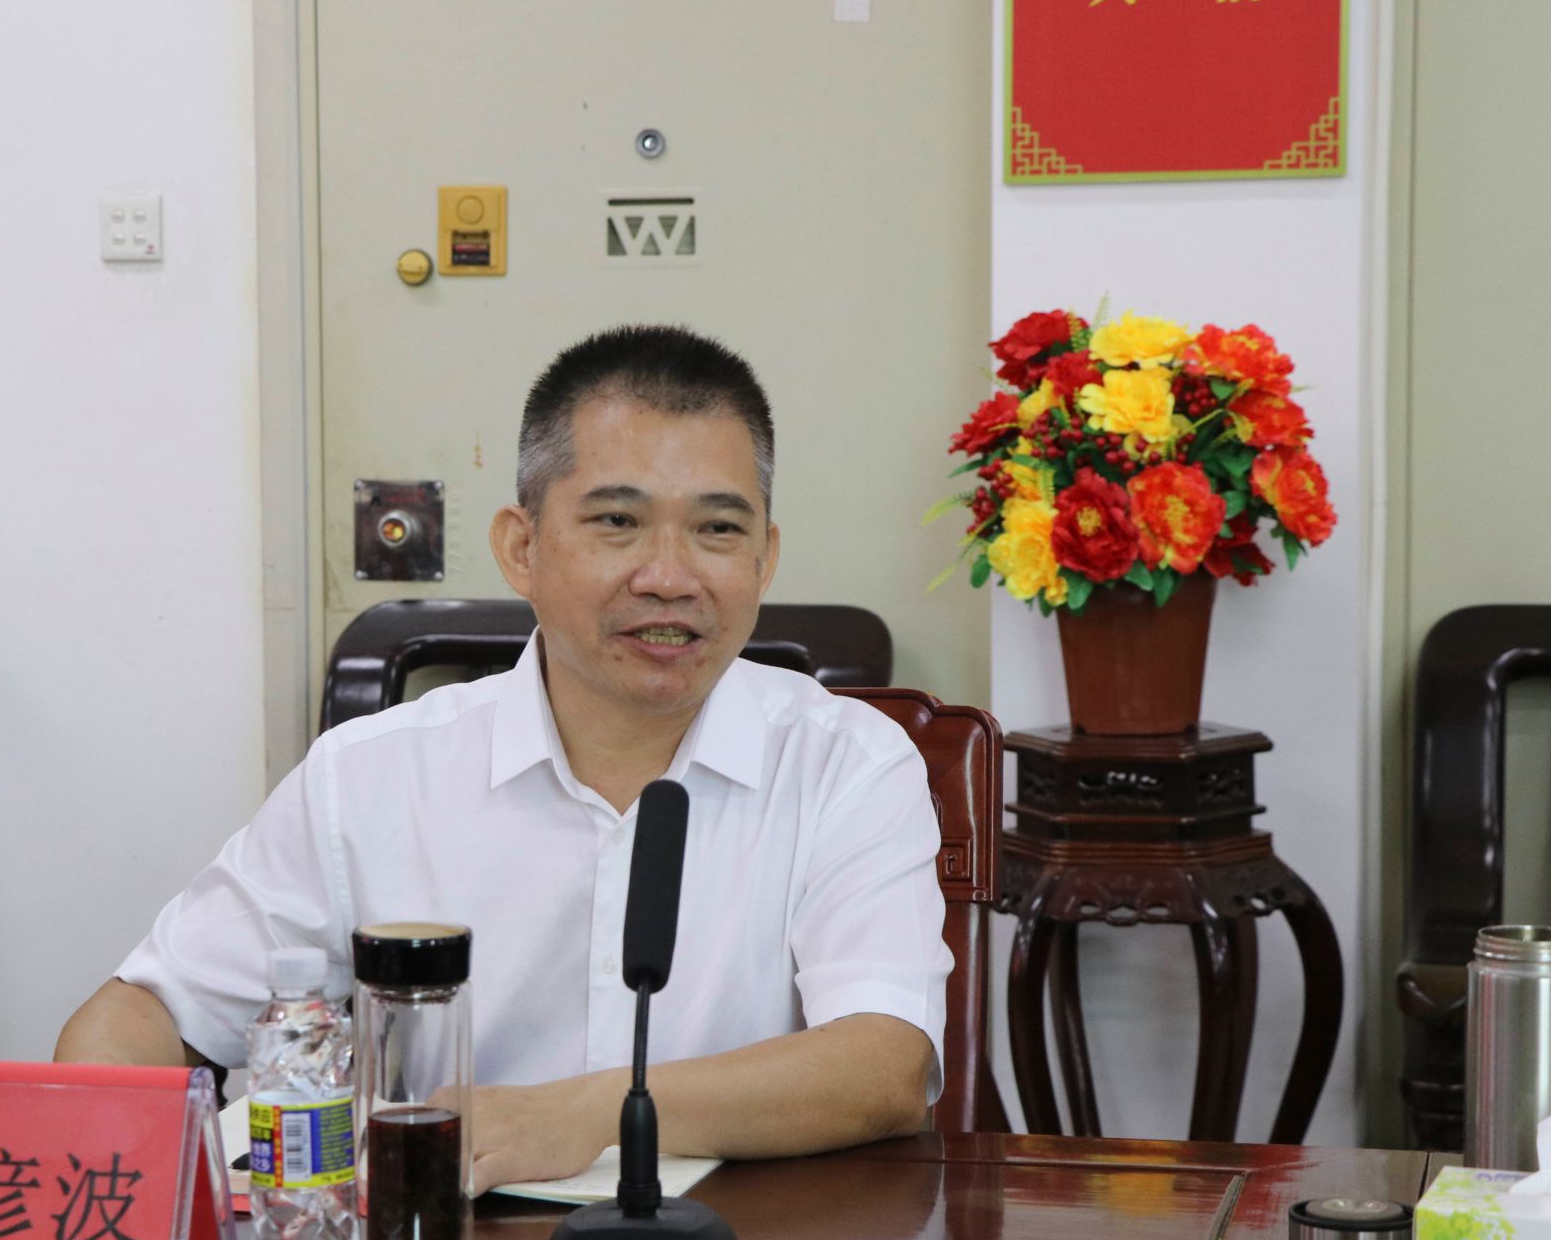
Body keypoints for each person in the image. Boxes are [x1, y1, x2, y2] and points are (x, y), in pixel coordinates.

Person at [56, 326, 949, 1192]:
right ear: (522, 548)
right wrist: (107, 1159)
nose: (669, 576)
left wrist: (584, 1114)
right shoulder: (369, 777)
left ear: (766, 555)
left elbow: (886, 1065)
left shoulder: (848, 764)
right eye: (617, 521)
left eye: (717, 529)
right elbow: (144, 1014)